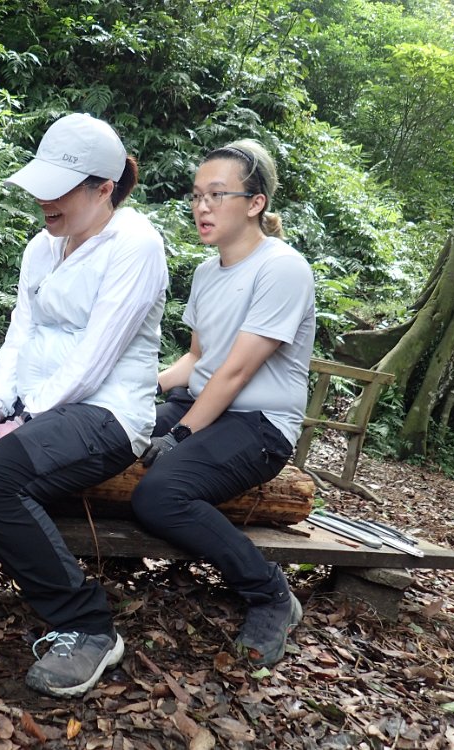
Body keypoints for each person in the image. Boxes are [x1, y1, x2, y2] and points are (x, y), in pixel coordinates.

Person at [0, 113, 168, 697]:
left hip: (107, 414)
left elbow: (96, 355)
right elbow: (23, 329)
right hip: (40, 403)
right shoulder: (43, 246)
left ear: (104, 188)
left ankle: (88, 626)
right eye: (42, 185)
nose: (44, 200)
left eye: (59, 189)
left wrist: (27, 416)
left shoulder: (136, 246)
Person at [131, 139, 315, 666]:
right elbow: (197, 359)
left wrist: (180, 434)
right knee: (105, 434)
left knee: (160, 495)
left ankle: (270, 594)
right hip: (201, 404)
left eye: (217, 194)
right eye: (196, 196)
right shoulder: (207, 272)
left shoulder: (282, 268)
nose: (202, 207)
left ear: (256, 203)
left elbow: (236, 371)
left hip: (259, 425)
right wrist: (136, 391)